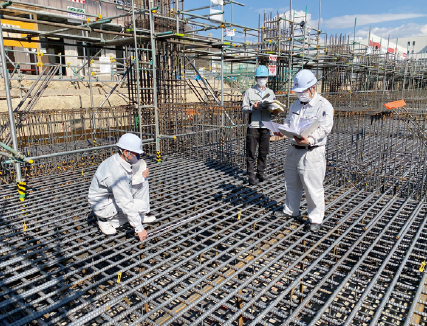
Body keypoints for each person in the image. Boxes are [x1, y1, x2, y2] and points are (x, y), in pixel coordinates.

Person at [275, 69, 334, 232]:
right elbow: (288, 121)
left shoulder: (323, 106)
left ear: (312, 88)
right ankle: (290, 210)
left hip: (311, 152)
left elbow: (325, 128)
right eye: (298, 91)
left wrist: (311, 139)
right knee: (291, 183)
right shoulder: (295, 104)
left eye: (302, 91)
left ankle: (315, 219)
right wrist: (282, 129)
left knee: (312, 187)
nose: (300, 94)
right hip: (294, 149)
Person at [88, 133, 156, 241]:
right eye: (136, 154)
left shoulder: (121, 159)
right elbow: (125, 202)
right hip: (103, 205)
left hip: (112, 196)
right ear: (125, 152)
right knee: (140, 205)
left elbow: (132, 171)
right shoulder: (116, 173)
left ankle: (140, 216)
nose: (138, 156)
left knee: (143, 181)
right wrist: (139, 228)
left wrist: (143, 172)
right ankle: (103, 219)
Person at [242, 65, 279, 185]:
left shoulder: (270, 92)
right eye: (260, 77)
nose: (262, 79)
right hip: (253, 126)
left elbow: (274, 109)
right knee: (251, 152)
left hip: (266, 126)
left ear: (267, 78)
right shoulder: (249, 92)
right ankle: (251, 175)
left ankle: (260, 173)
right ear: (255, 78)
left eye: (264, 77)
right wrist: (254, 107)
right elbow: (244, 108)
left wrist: (275, 110)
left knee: (264, 151)